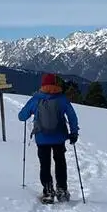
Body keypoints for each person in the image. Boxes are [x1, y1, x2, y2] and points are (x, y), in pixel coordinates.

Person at [17, 73, 79, 201]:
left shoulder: (36, 99)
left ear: (43, 84)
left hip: (42, 137)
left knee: (44, 164)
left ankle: (48, 191)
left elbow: (21, 116)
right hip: (59, 137)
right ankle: (62, 190)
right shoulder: (62, 99)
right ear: (56, 83)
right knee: (60, 162)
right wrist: (74, 133)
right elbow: (72, 117)